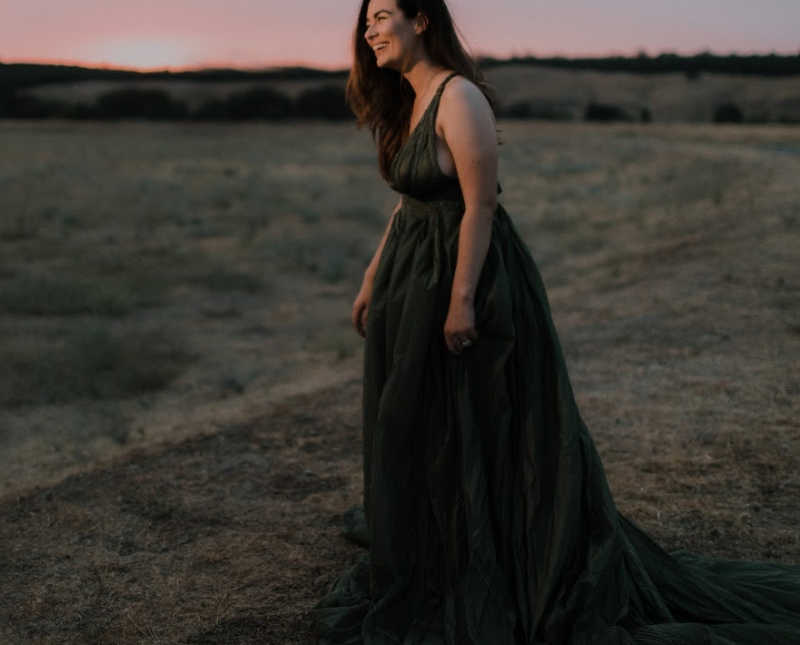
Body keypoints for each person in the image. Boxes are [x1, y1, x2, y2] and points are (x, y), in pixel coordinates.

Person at [313, 1, 800, 643]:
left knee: (483, 413)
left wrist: (461, 302)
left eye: (380, 14)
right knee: (423, 416)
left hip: (468, 278)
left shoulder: (458, 98)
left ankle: (497, 549)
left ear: (422, 20)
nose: (369, 30)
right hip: (413, 275)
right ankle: (442, 537)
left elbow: (480, 206)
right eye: (366, 21)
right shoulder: (410, 99)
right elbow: (411, 204)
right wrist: (374, 276)